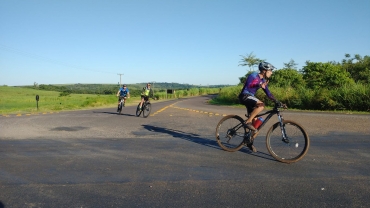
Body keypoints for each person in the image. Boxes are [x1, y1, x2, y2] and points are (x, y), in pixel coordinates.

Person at [238, 61, 277, 152]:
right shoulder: (254, 75)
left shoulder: (263, 81)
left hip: (250, 98)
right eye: (270, 70)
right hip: (245, 96)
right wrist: (259, 85)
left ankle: (249, 141)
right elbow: (249, 85)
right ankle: (248, 121)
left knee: (258, 125)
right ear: (264, 70)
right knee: (261, 105)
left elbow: (268, 93)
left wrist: (277, 101)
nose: (271, 72)